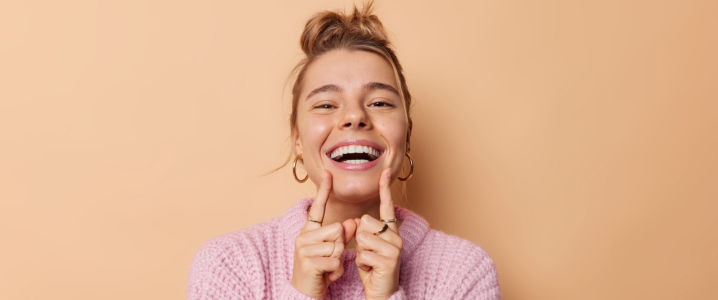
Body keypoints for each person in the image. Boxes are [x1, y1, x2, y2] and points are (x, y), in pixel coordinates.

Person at [187, 3, 500, 299]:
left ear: (407, 136)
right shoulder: (227, 264)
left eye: (379, 103)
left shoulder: (464, 272)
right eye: (326, 104)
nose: (355, 116)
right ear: (297, 138)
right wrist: (302, 293)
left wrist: (384, 296)